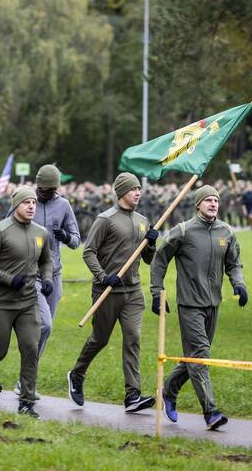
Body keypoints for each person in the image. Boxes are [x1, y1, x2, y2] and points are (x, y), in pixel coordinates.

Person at [151, 185, 246, 430]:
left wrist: (239, 284)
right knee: (200, 356)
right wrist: (156, 292)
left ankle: (168, 392)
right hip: (190, 304)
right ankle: (211, 411)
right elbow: (160, 260)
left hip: (213, 304)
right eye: (208, 200)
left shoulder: (226, 231)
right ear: (198, 204)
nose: (213, 204)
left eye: (216, 200)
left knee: (194, 357)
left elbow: (234, 263)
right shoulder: (183, 231)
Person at [68, 172, 159, 413]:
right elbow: (88, 252)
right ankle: (77, 374)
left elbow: (148, 259)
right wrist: (103, 276)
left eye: (139, 188)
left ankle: (132, 395)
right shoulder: (105, 219)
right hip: (107, 291)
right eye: (133, 189)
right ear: (121, 193)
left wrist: (151, 243)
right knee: (100, 339)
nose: (138, 192)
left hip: (133, 293)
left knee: (133, 338)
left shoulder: (142, 220)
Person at [0, 186, 53, 418]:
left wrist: (47, 279)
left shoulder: (41, 232)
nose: (32, 206)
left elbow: (46, 261)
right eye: (27, 203)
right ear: (16, 205)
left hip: (28, 302)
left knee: (30, 349)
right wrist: (9, 279)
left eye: (34, 203)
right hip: (0, 303)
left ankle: (26, 402)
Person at [24, 164, 80, 395]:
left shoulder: (64, 205)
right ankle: (27, 379)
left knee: (46, 328)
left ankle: (26, 377)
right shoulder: (26, 200)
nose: (47, 194)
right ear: (37, 187)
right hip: (30, 274)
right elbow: (7, 229)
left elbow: (77, 240)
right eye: (44, 191)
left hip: (54, 275)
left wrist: (65, 236)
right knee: (42, 324)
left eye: (52, 191)